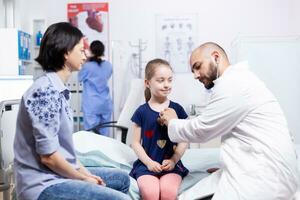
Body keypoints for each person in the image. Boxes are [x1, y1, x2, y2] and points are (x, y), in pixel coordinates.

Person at [160, 42, 299, 199]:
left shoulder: (233, 84)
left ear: (216, 57)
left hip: (267, 178)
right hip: (265, 167)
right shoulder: (240, 80)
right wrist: (227, 167)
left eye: (198, 66)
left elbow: (202, 129)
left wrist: (172, 121)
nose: (195, 75)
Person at [13, 22, 130, 200]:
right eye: (81, 50)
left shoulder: (59, 90)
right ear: (66, 52)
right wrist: (83, 178)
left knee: (122, 179)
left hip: (58, 174)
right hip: (42, 183)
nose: (85, 55)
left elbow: (66, 153)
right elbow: (49, 158)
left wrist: (85, 174)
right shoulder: (44, 92)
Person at [129, 58, 189, 200]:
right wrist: (149, 163)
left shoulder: (177, 109)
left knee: (168, 192)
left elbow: (184, 140)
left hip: (171, 165)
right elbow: (135, 143)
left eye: (169, 80)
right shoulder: (141, 112)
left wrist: (174, 160)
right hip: (146, 165)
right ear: (147, 83)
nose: (166, 85)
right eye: (161, 80)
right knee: (151, 193)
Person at [78, 40, 113, 136]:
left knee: (91, 134)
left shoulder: (88, 66)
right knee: (105, 134)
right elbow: (107, 76)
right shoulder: (108, 65)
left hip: (91, 104)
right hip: (105, 103)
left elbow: (79, 78)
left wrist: (86, 61)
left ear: (91, 50)